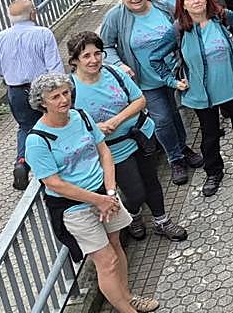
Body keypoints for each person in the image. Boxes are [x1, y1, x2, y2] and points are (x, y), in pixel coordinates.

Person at [25, 73, 155, 313]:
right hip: (74, 206)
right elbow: (55, 184)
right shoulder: (37, 140)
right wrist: (99, 200)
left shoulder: (81, 116)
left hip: (104, 194)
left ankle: (127, 297)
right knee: (106, 261)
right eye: (55, 97)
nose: (63, 99)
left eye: (65, 93)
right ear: (42, 102)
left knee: (116, 246)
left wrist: (110, 190)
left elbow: (104, 153)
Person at [66, 32, 187, 243]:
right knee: (135, 192)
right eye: (86, 56)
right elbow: (70, 122)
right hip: (112, 149)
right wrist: (95, 128)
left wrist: (117, 120)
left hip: (140, 135)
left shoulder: (113, 72)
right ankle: (133, 214)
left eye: (97, 53)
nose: (94, 60)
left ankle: (162, 221)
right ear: (74, 60)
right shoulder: (70, 88)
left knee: (152, 181)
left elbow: (140, 100)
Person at [100, 0, 203, 186]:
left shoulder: (163, 6)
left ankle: (182, 147)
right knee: (162, 118)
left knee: (175, 113)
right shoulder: (115, 17)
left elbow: (183, 27)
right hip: (145, 79)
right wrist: (120, 65)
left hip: (174, 74)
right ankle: (175, 159)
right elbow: (106, 46)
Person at [173, 0, 233, 197]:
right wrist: (173, 80)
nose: (196, 1)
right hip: (202, 94)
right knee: (209, 135)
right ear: (182, 4)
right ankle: (213, 172)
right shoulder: (179, 29)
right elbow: (155, 58)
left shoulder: (222, 16)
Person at [0, 0, 64, 190]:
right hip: (42, 89)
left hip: (15, 90)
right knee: (53, 124)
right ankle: (55, 164)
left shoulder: (1, 37)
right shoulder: (43, 34)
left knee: (25, 128)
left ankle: (22, 162)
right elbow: (55, 67)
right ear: (33, 13)